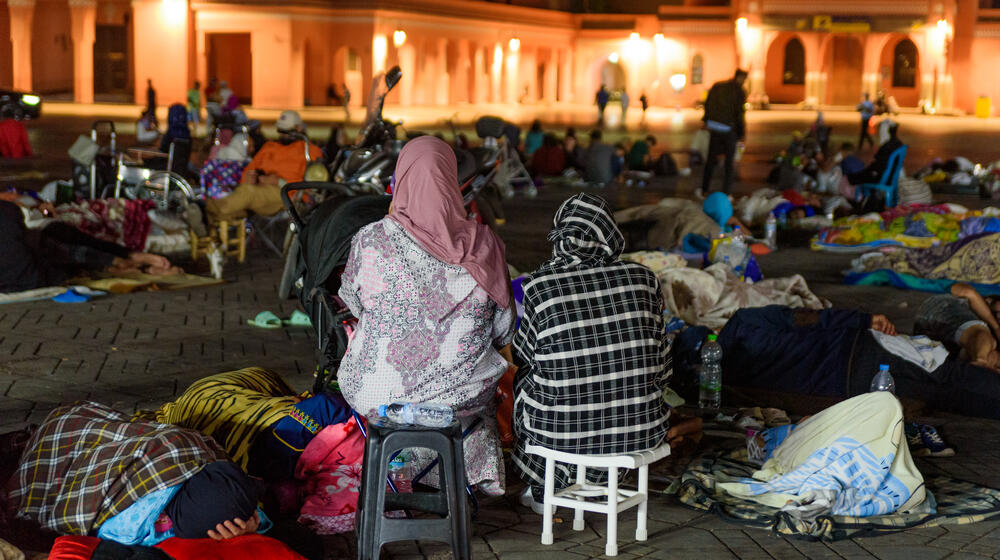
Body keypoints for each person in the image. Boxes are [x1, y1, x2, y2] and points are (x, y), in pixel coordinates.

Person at [336, 136, 514, 496]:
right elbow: (503, 330)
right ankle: (460, 481)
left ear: (400, 179)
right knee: (478, 396)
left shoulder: (371, 240)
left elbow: (353, 303)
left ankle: (394, 476)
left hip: (379, 397)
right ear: (453, 180)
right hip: (458, 402)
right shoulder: (485, 244)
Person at [511, 193, 670, 509]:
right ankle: (599, 479)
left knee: (525, 385)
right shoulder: (644, 278)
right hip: (641, 430)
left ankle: (545, 486)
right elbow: (663, 363)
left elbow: (522, 356)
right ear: (610, 232)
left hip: (557, 435)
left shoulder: (539, 285)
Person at [8, 401, 265, 543]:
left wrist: (251, 525)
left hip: (151, 466)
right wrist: (255, 521)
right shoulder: (205, 481)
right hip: (81, 430)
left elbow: (80, 513)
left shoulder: (132, 523)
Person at [711, 305, 1000, 420]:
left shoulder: (719, 382)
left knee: (943, 396)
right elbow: (806, 318)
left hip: (851, 389)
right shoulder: (743, 322)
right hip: (858, 350)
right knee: (948, 374)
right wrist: (863, 319)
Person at [722, 392, 925, 520]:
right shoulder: (783, 435)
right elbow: (756, 446)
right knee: (886, 403)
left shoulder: (829, 427)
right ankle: (822, 496)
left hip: (838, 453)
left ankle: (821, 496)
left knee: (845, 464)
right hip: (809, 455)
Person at [0, 200, 178, 293]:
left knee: (58, 234)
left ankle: (129, 258)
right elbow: (12, 215)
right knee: (63, 248)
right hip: (37, 272)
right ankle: (129, 263)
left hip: (36, 260)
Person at [204, 110, 321, 222]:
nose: (284, 135)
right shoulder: (269, 147)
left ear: (299, 128)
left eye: (288, 132)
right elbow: (249, 170)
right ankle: (208, 217)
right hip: (258, 191)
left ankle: (205, 210)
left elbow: (312, 184)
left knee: (246, 193)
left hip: (286, 195)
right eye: (281, 131)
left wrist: (279, 182)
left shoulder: (310, 151)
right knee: (238, 205)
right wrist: (252, 179)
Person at [914, 284, 1000, 369]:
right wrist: (995, 326)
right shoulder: (983, 303)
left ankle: (980, 365)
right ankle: (981, 361)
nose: (998, 316)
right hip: (941, 310)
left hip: (934, 346)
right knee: (984, 338)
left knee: (992, 354)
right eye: (997, 313)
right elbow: (966, 291)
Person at [701, 69, 748, 195]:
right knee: (729, 162)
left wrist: (706, 120)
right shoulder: (739, 91)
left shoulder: (718, 86)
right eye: (744, 80)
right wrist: (742, 133)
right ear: (741, 78)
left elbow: (708, 103)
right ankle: (726, 192)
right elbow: (739, 113)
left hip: (714, 126)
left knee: (711, 159)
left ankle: (704, 189)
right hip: (728, 129)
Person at [847, 121, 904, 186]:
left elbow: (879, 167)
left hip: (884, 178)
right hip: (891, 175)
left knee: (855, 177)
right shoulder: (898, 143)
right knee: (859, 174)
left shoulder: (887, 147)